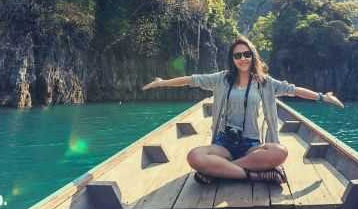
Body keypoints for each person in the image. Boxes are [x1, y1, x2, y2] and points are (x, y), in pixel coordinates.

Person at [141, 35, 344, 185]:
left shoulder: (265, 83)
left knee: (279, 151)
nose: (243, 58)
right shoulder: (222, 79)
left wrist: (321, 97)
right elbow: (192, 80)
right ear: (233, 58)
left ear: (253, 56)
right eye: (238, 55)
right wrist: (162, 83)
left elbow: (294, 90)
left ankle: (220, 170)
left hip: (251, 145)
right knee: (194, 156)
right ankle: (252, 174)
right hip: (224, 143)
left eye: (247, 54)